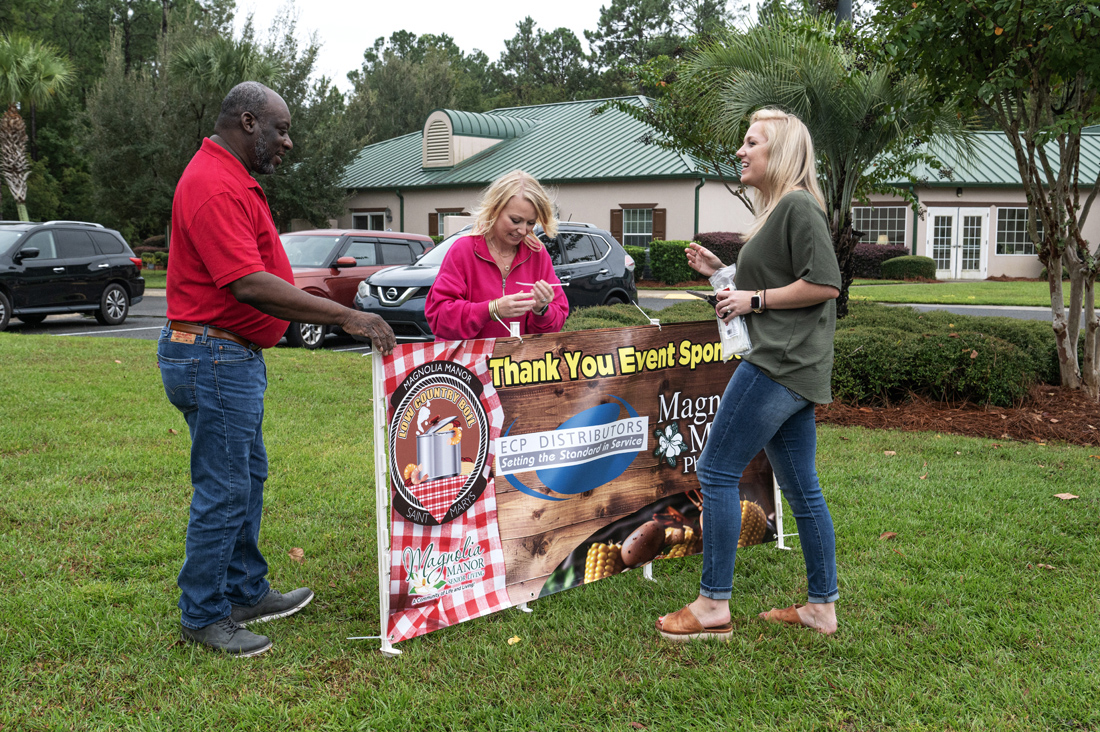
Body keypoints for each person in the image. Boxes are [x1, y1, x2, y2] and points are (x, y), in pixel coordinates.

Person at [158, 81, 396, 657]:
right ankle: (204, 615)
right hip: (213, 354)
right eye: (281, 129)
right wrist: (347, 316)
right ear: (247, 121)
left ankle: (243, 591)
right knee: (225, 487)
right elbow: (248, 283)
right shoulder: (214, 184)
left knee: (247, 477)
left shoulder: (233, 178)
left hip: (228, 354)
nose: (288, 142)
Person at [656, 108, 842, 641]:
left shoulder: (798, 206)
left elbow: (825, 284)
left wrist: (752, 299)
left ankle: (713, 606)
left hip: (777, 365)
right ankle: (820, 608)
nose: (741, 151)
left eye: (751, 142)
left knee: (715, 470)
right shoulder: (782, 209)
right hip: (793, 365)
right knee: (802, 487)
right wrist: (722, 275)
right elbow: (779, 283)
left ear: (778, 151)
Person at [424, 170, 568, 340]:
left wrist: (542, 310)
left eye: (530, 223)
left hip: (517, 365)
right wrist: (492, 309)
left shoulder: (537, 253)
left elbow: (555, 323)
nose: (523, 230)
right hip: (466, 365)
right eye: (515, 220)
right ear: (494, 209)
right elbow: (439, 318)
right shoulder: (463, 250)